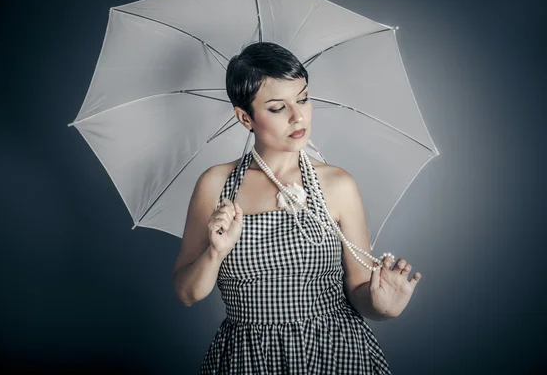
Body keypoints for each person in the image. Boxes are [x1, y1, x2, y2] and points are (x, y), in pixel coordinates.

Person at [172, 42, 422, 374]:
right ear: (245, 117)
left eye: (303, 98)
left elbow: (360, 291)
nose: (298, 116)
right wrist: (215, 252)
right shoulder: (216, 184)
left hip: (336, 352)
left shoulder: (338, 184)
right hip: (249, 358)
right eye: (277, 108)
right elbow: (187, 293)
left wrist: (382, 305)